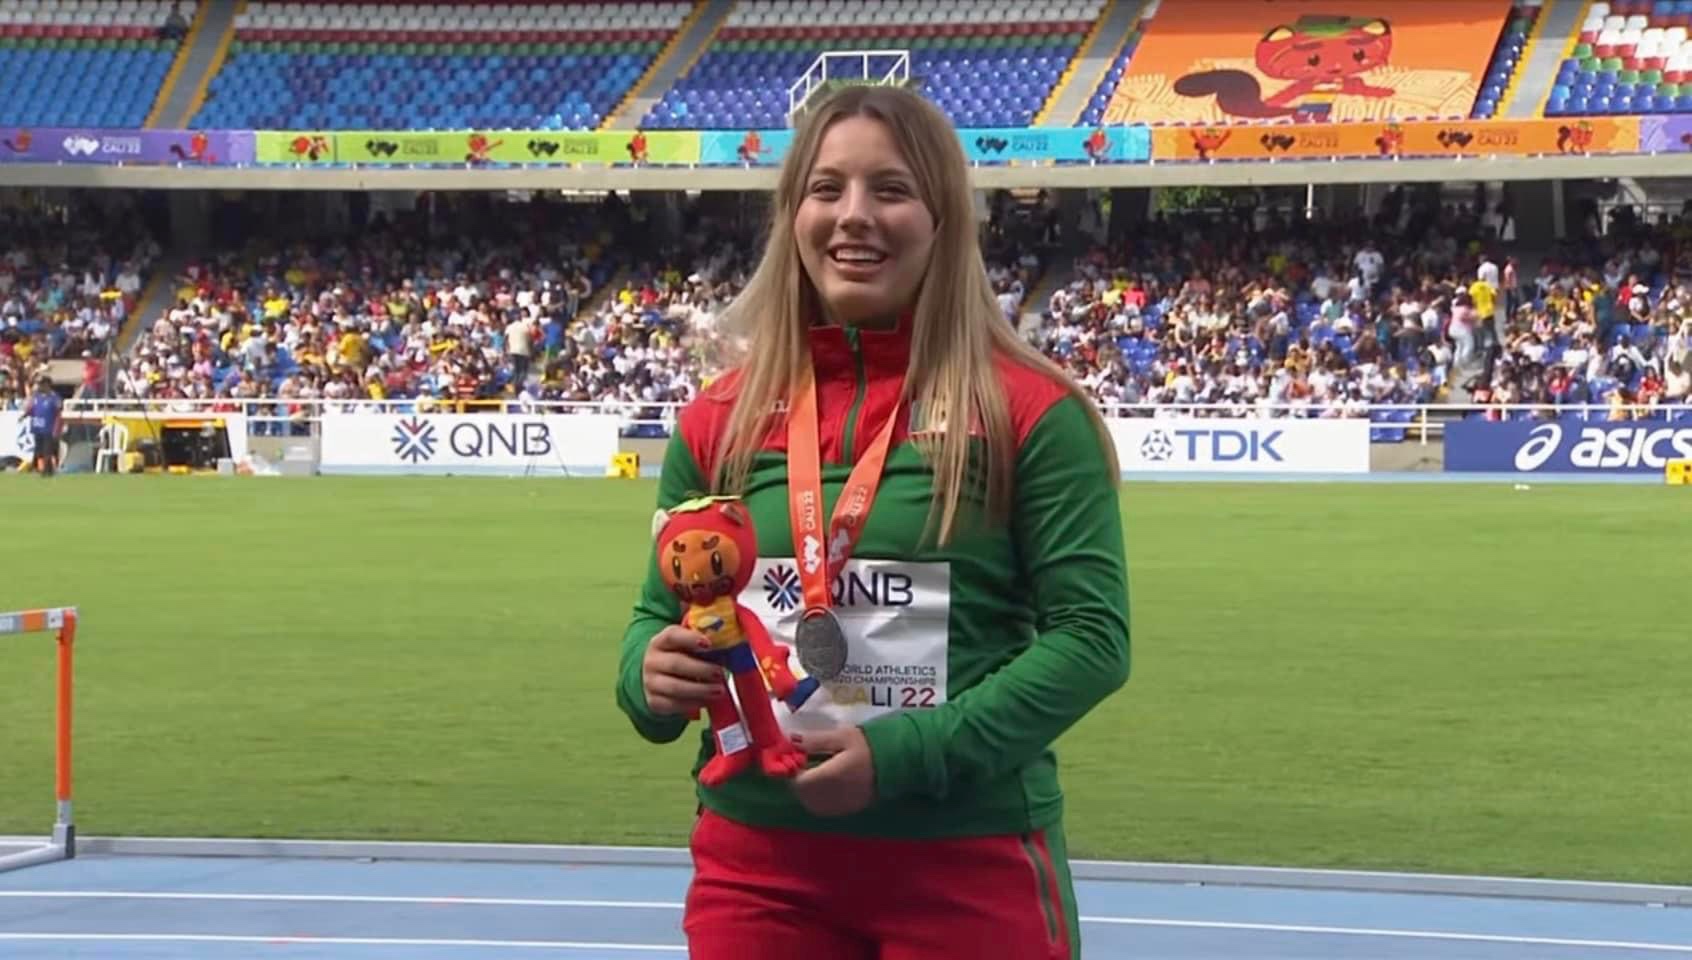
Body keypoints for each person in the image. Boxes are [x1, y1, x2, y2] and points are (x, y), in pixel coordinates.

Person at [616, 85, 1130, 960]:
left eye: (890, 189)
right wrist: (647, 676)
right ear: (793, 216)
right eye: (827, 188)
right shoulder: (718, 419)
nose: (854, 215)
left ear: (942, 220)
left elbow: (1092, 640)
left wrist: (904, 755)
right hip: (758, 872)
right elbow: (657, 618)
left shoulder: (1032, 413)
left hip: (966, 864)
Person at [26, 374, 63, 477]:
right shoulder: (36, 397)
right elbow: (31, 409)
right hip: (37, 428)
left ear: (47, 384)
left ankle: (46, 471)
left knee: (47, 451)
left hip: (48, 428)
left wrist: (57, 428)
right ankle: (45, 470)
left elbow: (58, 414)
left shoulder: (54, 398)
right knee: (39, 451)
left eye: (41, 384)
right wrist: (25, 414)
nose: (39, 386)